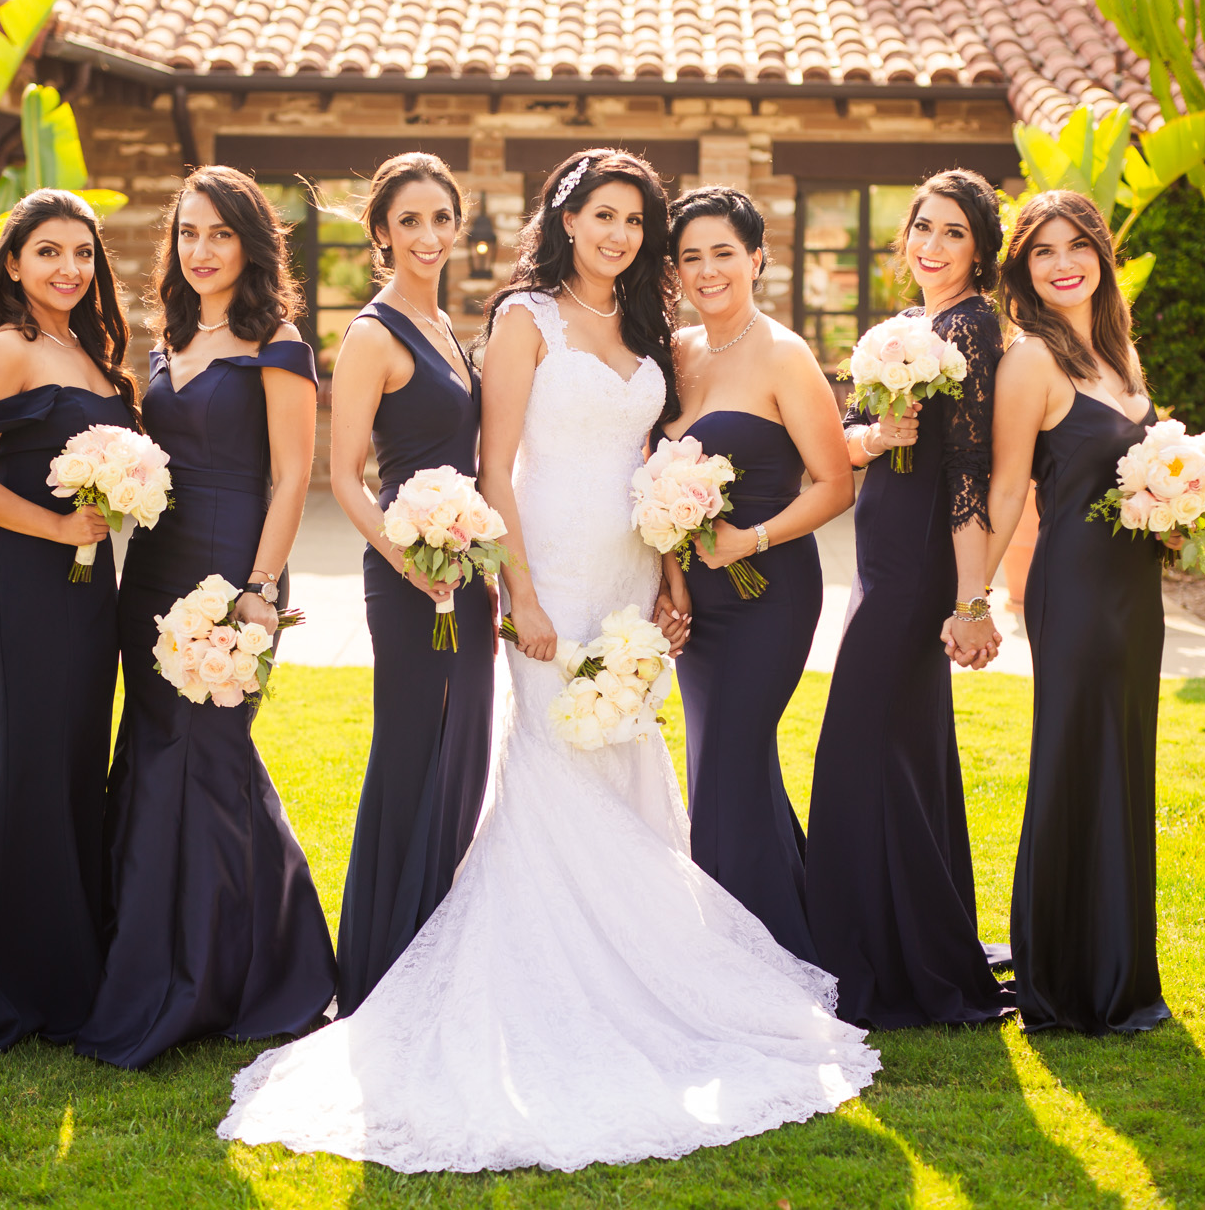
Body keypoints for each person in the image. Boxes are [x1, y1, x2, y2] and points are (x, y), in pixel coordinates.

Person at [216, 151, 877, 1174]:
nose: (616, 233)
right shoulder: (524, 318)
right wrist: (516, 591)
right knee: (552, 766)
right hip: (550, 574)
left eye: (631, 220)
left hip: (628, 569)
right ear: (566, 219)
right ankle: (552, 986)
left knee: (621, 759)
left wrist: (666, 570)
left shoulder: (651, 331)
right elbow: (494, 467)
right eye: (599, 214)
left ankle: (641, 972)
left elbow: (659, 461)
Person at [73, 166, 337, 1068]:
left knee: (212, 760)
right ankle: (148, 960)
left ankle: (254, 972)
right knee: (153, 761)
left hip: (235, 569)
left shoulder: (280, 341)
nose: (202, 250)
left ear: (251, 243)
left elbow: (296, 472)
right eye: (188, 233)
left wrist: (261, 589)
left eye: (220, 233)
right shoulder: (168, 337)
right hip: (154, 568)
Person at [0, 189, 138, 1051]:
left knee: (78, 767)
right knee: (32, 768)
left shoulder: (90, 348)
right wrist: (57, 525)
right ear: (14, 263)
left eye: (83, 254)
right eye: (49, 252)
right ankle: (9, 989)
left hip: (91, 586)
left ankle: (73, 973)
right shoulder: (6, 350)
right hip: (24, 583)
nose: (69, 269)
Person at [804, 169, 1016, 1029]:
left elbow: (969, 474)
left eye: (953, 232)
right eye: (922, 228)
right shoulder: (908, 328)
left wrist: (971, 599)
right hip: (878, 557)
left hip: (918, 564)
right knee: (897, 753)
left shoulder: (970, 329)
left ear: (980, 251)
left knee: (858, 746)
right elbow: (859, 440)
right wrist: (866, 435)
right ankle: (910, 945)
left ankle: (872, 960)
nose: (931, 244)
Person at [982, 189, 1172, 1035]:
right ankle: (1061, 978)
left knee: (1125, 768)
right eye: (1042, 251)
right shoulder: (1031, 361)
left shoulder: (1122, 357)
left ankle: (1124, 971)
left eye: (1077, 246)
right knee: (1072, 763)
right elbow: (1006, 489)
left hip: (1139, 596)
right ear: (1023, 268)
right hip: (1076, 592)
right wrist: (970, 598)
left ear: (1101, 254)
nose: (1063, 264)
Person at [660, 185, 852, 966]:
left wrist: (751, 540)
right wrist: (673, 582)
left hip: (770, 593)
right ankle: (794, 935)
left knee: (730, 770)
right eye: (692, 257)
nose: (709, 270)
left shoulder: (784, 352)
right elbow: (657, 483)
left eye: (724, 254)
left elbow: (836, 482)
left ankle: (747, 964)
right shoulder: (675, 352)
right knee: (724, 769)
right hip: (700, 603)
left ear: (757, 259)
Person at [326, 152, 493, 1017]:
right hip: (407, 575)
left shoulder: (447, 329)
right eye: (408, 222)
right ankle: (381, 961)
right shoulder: (373, 333)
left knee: (463, 748)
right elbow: (345, 473)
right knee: (408, 750)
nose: (427, 236)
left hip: (467, 571)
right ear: (383, 234)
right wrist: (407, 560)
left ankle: (439, 942)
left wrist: (471, 562)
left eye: (440, 219)